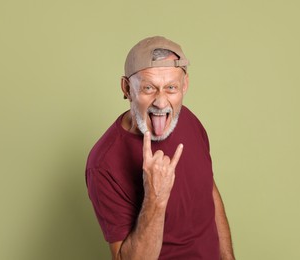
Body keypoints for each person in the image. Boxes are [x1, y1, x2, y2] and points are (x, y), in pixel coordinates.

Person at [86, 36, 236, 259]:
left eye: (171, 88)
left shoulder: (189, 121)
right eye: (148, 88)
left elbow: (209, 191)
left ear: (184, 85)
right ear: (127, 88)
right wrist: (156, 198)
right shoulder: (103, 164)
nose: (161, 102)